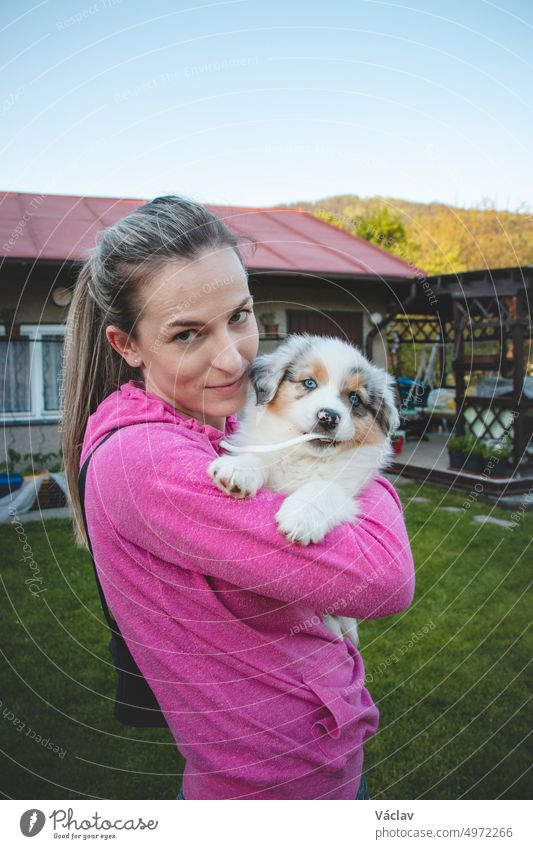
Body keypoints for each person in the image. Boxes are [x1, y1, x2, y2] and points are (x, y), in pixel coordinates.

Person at [61, 195, 415, 801]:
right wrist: (361, 455)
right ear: (127, 345)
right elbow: (381, 577)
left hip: (317, 761)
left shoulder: (216, 425)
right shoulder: (150, 462)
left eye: (241, 315)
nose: (233, 358)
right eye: (188, 333)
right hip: (267, 790)